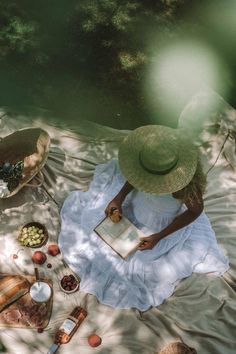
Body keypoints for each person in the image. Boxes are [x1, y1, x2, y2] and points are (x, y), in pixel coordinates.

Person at [58, 125, 229, 311]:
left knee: (140, 267)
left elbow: (195, 212)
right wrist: (119, 198)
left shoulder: (183, 186)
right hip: (135, 205)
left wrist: (159, 236)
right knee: (91, 226)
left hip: (159, 225)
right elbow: (136, 178)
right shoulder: (147, 167)